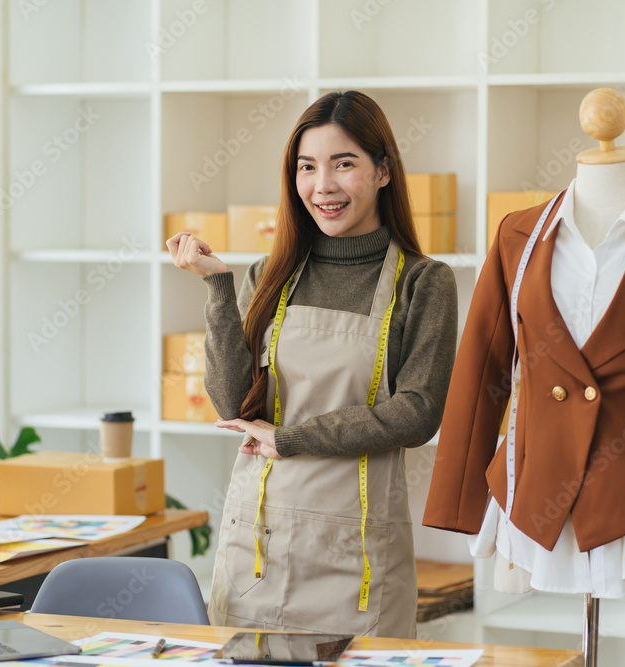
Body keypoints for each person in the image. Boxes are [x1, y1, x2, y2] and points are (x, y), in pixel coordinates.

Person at [166, 90, 458, 638]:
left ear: (383, 172)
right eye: (307, 167)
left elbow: (418, 414)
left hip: (358, 561)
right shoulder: (268, 275)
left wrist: (292, 437)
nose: (322, 186)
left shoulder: (424, 282)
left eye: (343, 164)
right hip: (257, 551)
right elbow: (234, 403)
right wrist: (217, 287)